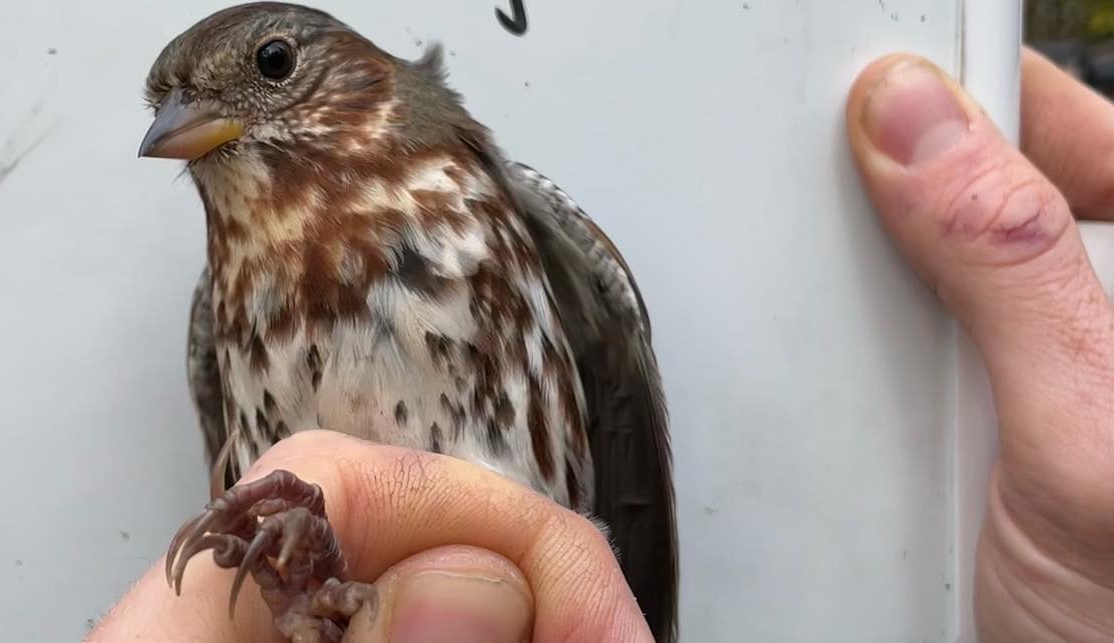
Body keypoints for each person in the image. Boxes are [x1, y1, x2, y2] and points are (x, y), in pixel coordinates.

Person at [85, 50, 1114, 643]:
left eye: (269, 70)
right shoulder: (221, 303)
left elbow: (626, 523)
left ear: (370, 84)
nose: (193, 121)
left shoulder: (516, 224)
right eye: (179, 106)